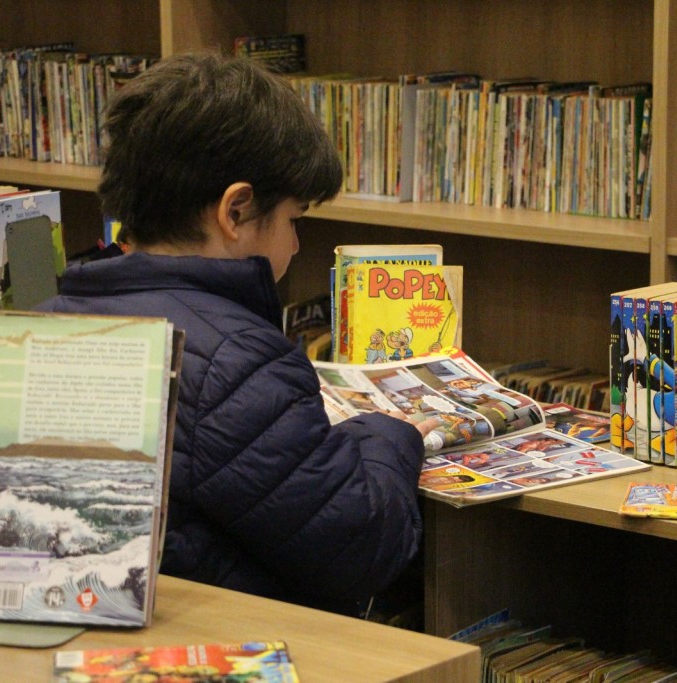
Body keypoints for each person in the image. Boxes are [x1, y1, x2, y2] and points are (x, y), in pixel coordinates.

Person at [37, 52, 433, 615]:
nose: (296, 244)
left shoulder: (45, 321)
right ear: (236, 211)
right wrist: (389, 435)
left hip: (74, 626)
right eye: (294, 220)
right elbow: (361, 548)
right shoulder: (236, 361)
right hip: (225, 640)